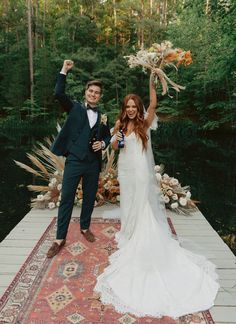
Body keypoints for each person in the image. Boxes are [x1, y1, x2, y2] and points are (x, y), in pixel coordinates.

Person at [94, 74, 219, 319]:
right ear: (124, 108)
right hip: (125, 171)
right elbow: (112, 144)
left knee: (141, 205)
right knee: (128, 202)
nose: (131, 110)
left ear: (137, 108)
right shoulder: (120, 123)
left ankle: (140, 234)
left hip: (140, 171)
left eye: (134, 107)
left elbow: (153, 104)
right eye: (128, 107)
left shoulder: (145, 122)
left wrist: (152, 82)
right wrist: (111, 141)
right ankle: (128, 231)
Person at [47, 60, 111, 258]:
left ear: (100, 96)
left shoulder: (103, 116)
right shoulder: (74, 108)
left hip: (93, 163)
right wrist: (64, 70)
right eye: (90, 91)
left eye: (97, 92)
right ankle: (59, 238)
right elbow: (58, 93)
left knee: (89, 197)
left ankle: (85, 228)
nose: (93, 94)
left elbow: (108, 135)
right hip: (74, 160)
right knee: (66, 198)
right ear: (86, 92)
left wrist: (104, 144)